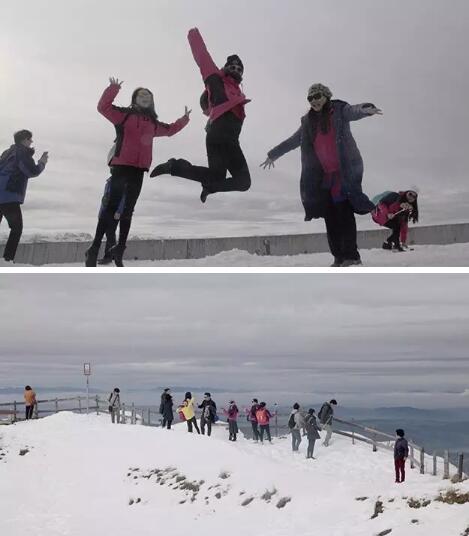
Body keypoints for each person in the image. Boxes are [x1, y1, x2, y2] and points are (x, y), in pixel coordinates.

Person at [261, 84, 382, 267]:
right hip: (324, 178)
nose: (314, 100)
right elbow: (294, 140)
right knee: (330, 217)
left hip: (344, 173)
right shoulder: (308, 122)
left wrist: (366, 108)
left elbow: (353, 111)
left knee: (344, 214)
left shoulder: (339, 110)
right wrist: (273, 153)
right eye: (310, 98)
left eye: (317, 96)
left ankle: (352, 256)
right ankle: (339, 256)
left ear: (326, 96)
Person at [85, 78, 191, 267]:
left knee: (128, 211)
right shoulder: (123, 115)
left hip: (139, 170)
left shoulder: (152, 123)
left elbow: (169, 130)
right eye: (142, 94)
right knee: (111, 208)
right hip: (121, 166)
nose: (146, 97)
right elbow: (103, 107)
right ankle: (93, 249)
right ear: (134, 99)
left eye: (149, 96)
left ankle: (119, 250)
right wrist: (113, 88)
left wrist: (184, 120)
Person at [151, 27, 251, 204]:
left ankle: (207, 185)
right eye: (232, 66)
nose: (236, 69)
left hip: (232, 141)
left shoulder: (238, 93)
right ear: (225, 67)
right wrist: (193, 34)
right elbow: (202, 57)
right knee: (218, 176)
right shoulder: (215, 78)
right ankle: (175, 167)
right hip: (218, 136)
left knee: (243, 182)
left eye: (239, 68)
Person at [0, 130, 48, 263]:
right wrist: (42, 162)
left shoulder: (7, 152)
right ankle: (7, 260)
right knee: (16, 228)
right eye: (30, 139)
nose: (31, 141)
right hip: (9, 196)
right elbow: (32, 171)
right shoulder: (22, 153)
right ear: (24, 140)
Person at [97, 177, 126, 265]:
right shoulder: (109, 182)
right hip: (106, 211)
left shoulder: (120, 182)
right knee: (109, 233)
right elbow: (105, 198)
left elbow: (123, 198)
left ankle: (109, 256)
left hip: (114, 212)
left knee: (110, 233)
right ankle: (112, 255)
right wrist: (101, 212)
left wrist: (119, 211)